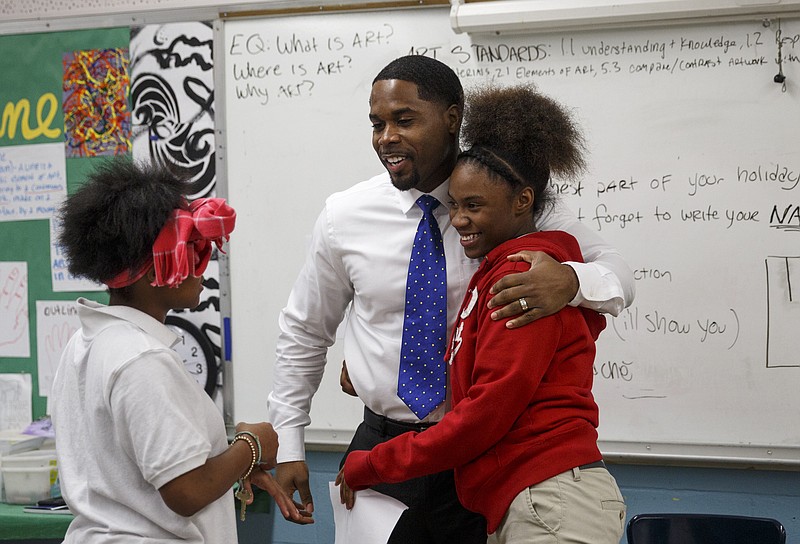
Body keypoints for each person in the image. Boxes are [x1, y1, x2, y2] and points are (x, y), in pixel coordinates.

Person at [264, 55, 634, 542]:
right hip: (383, 444)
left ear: (453, 117)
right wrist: (290, 443)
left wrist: (569, 280)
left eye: (404, 120)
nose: (386, 137)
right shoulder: (345, 215)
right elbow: (305, 330)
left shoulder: (505, 193)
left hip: (480, 454)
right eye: (377, 124)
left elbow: (620, 278)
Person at [50, 157, 311, 544]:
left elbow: (138, 461)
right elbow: (184, 492)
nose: (203, 267)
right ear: (152, 268)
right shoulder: (141, 360)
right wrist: (252, 445)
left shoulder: (89, 342)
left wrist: (226, 458)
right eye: (192, 251)